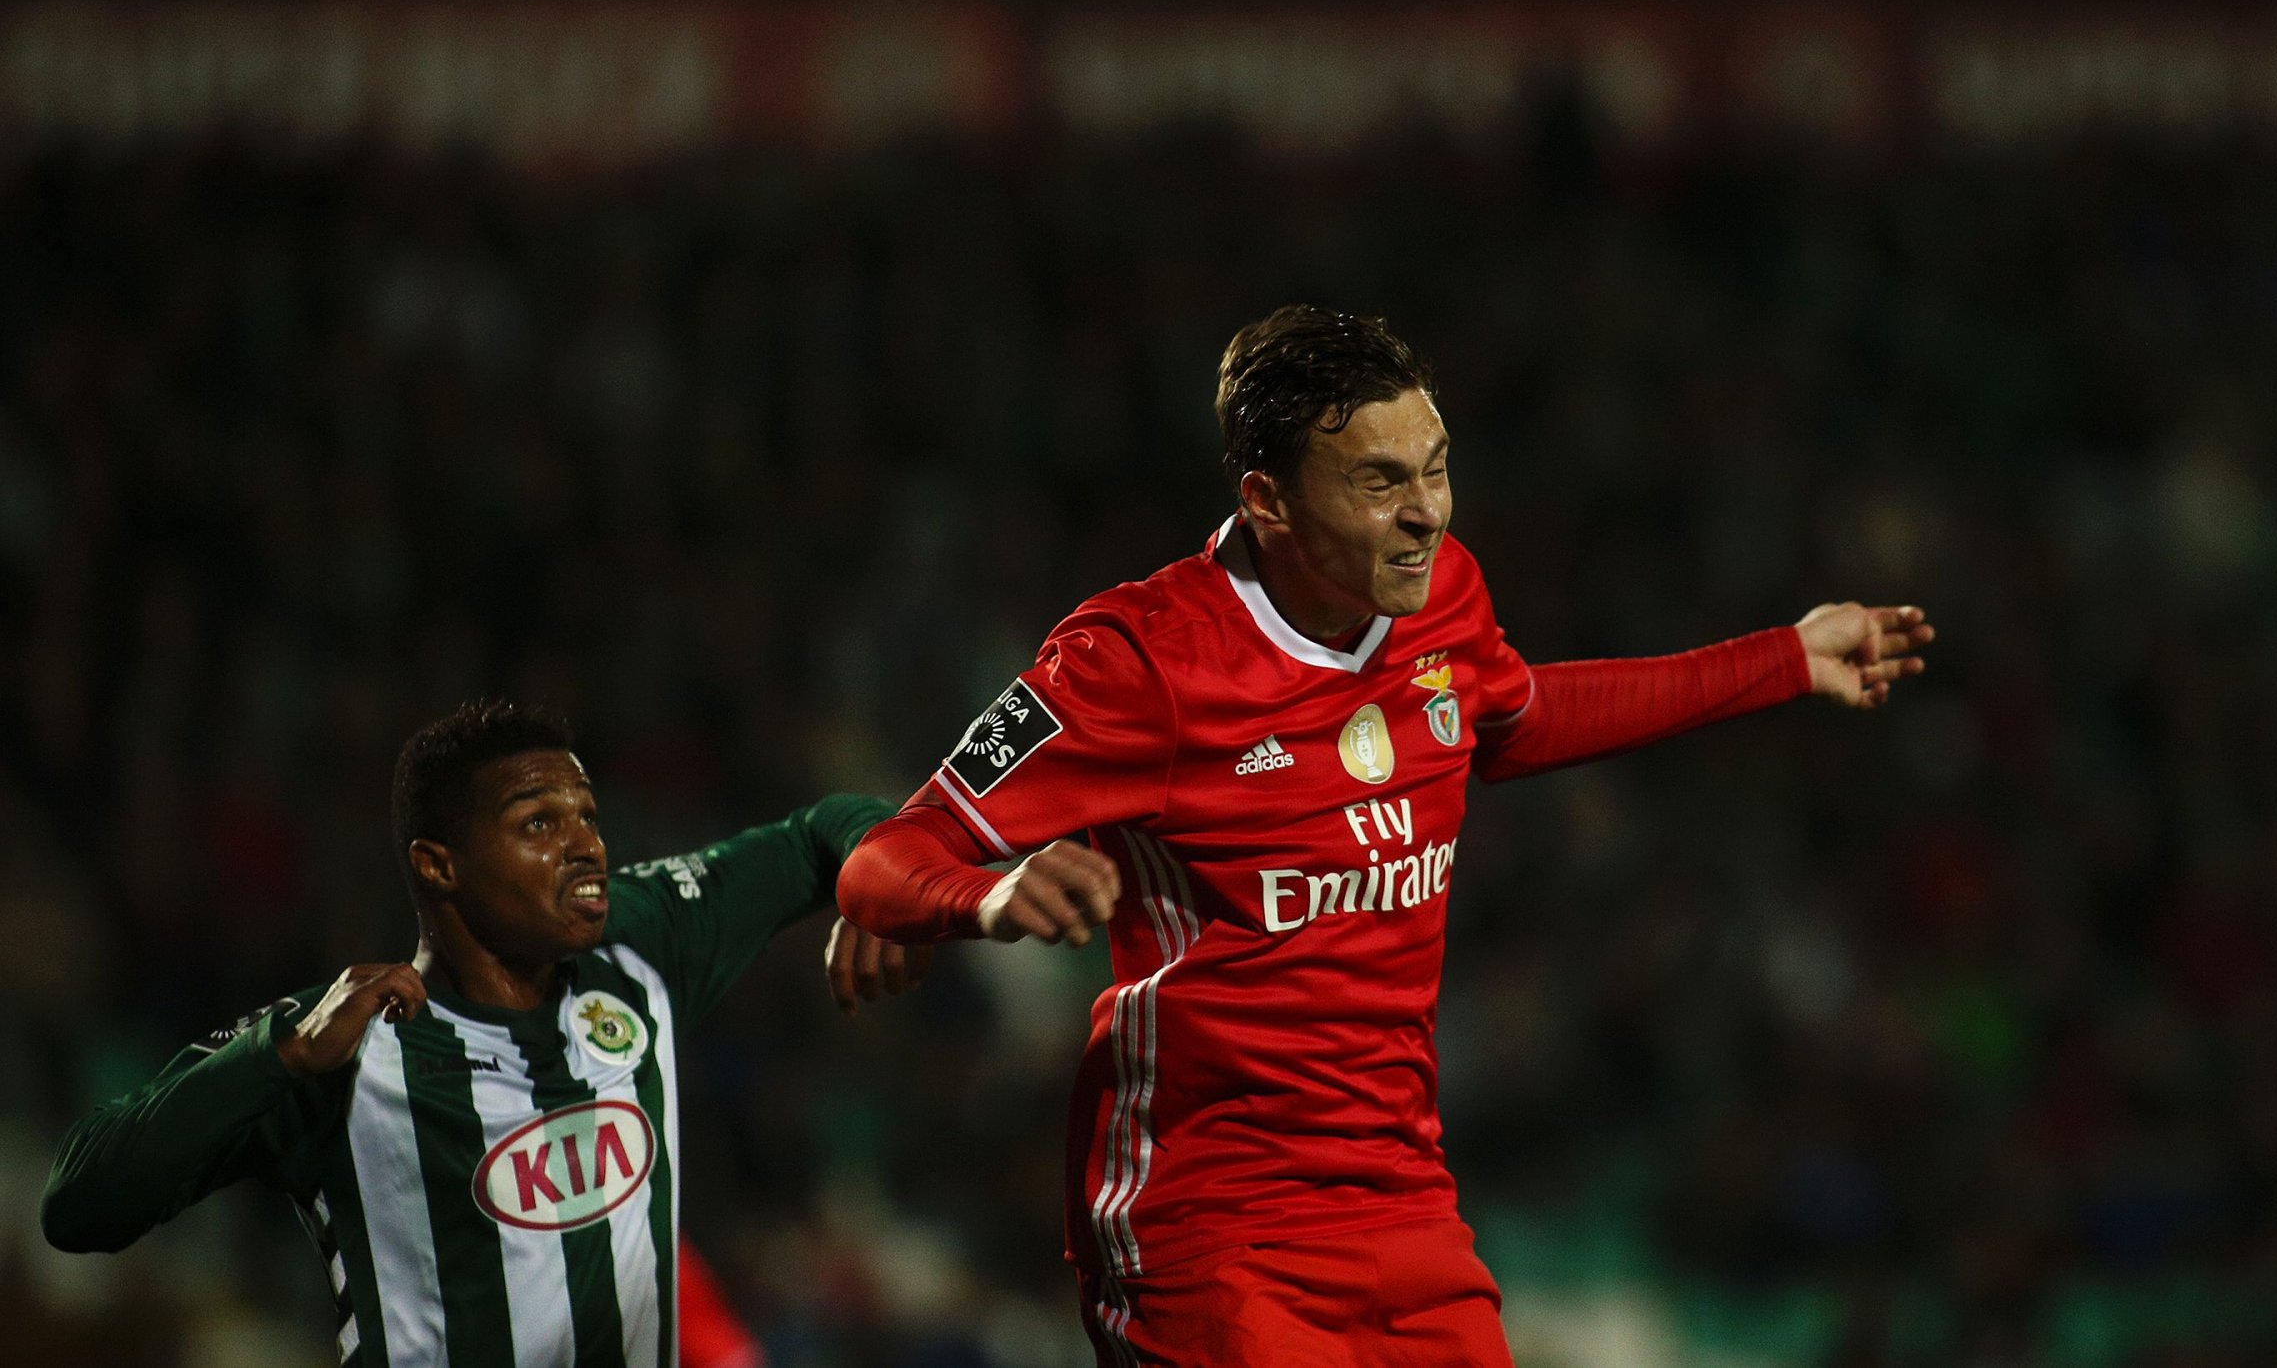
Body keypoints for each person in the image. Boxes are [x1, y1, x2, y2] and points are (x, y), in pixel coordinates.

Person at [837, 305, 1935, 1368]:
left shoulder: (1441, 598)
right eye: (1380, 480)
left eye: (1435, 466)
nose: (1429, 512)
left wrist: (1782, 659)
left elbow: (1517, 714)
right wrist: (977, 899)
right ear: (1267, 498)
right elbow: (889, 853)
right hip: (1211, 1224)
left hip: (1403, 1200)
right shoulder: (1138, 661)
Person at [42, 698, 926, 1368]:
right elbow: (80, 1201)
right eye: (539, 823)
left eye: (588, 815)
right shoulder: (343, 1049)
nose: (586, 846)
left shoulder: (637, 948)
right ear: (439, 864)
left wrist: (885, 877)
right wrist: (271, 1055)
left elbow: (821, 833)